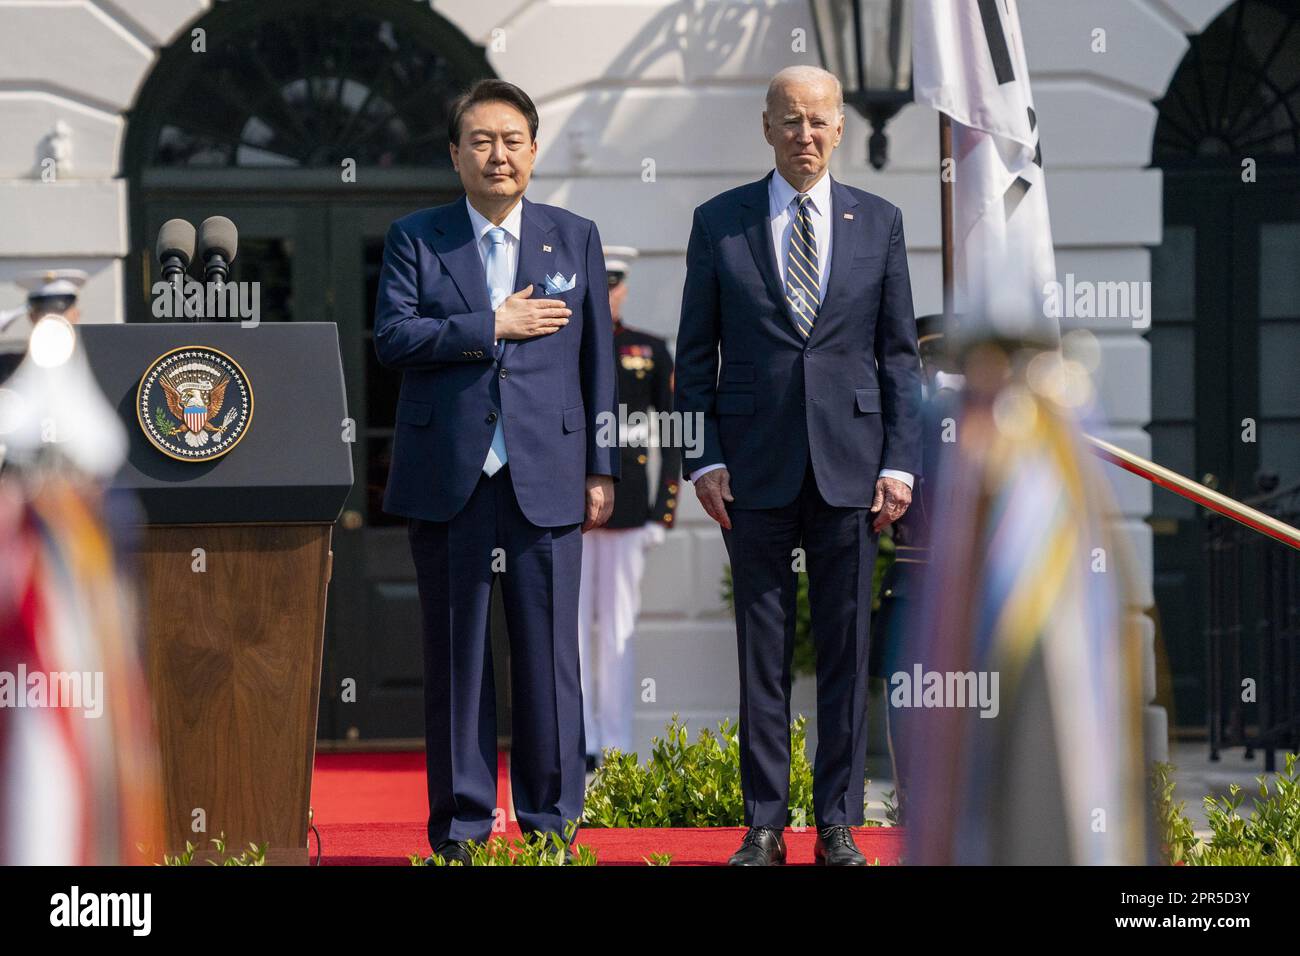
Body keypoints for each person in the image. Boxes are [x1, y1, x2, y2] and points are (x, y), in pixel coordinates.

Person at [674, 66, 923, 865]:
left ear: (840, 127)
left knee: (849, 653)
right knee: (762, 652)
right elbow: (693, 358)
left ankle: (840, 823)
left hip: (853, 471)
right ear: (766, 128)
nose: (804, 136)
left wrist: (901, 465)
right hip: (750, 473)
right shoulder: (720, 223)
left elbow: (898, 358)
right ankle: (765, 823)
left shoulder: (879, 221)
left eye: (818, 121)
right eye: (789, 122)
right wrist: (702, 455)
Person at [373, 79, 619, 866]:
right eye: (481, 140)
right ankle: (462, 829)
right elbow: (395, 339)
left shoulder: (573, 235)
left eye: (512, 139)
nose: (498, 154)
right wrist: (492, 325)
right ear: (455, 155)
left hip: (548, 476)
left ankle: (552, 824)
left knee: (550, 662)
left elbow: (598, 364)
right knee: (458, 659)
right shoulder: (418, 237)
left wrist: (602, 468)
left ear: (535, 149)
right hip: (452, 479)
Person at [577, 246, 678, 769]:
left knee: (617, 631)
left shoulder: (648, 349)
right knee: (569, 632)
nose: (610, 294)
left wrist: (664, 511)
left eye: (616, 285)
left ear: (625, 288)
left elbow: (678, 433)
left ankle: (614, 743)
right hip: (570, 513)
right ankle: (580, 740)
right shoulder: (567, 342)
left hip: (629, 507)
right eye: (602, 284)